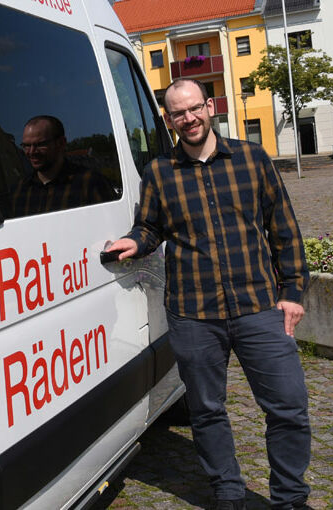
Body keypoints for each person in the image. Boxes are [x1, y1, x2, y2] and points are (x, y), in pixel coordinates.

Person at [104, 78, 311, 510]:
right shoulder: (160, 172)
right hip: (194, 313)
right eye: (178, 113)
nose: (189, 118)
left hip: (258, 306)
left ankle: (290, 499)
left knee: (288, 408)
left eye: (195, 108)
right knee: (207, 411)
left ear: (210, 106)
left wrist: (293, 291)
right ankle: (228, 494)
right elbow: (151, 227)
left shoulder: (252, 158)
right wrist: (134, 242)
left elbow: (284, 229)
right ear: (169, 119)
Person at [3, 115, 116, 217]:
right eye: (26, 146)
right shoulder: (19, 191)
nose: (32, 152)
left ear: (61, 143)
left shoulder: (90, 183)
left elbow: (113, 227)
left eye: (40, 145)